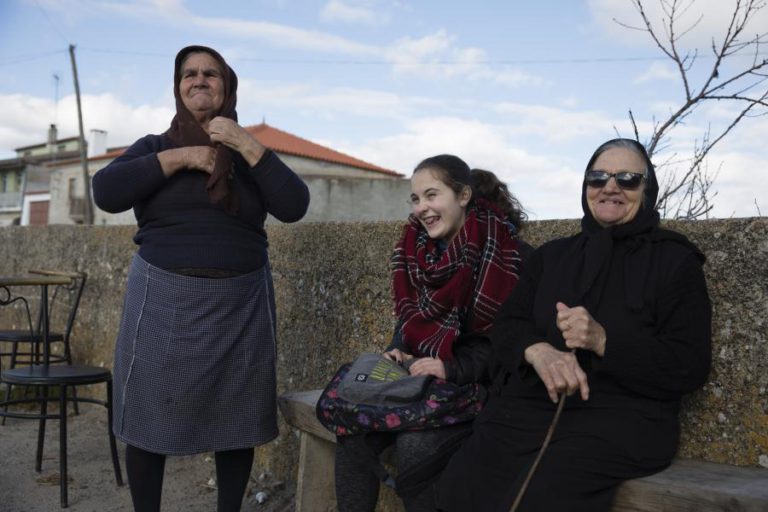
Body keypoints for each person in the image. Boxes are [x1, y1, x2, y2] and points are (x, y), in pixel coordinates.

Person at [437, 138, 712, 512]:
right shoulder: (553, 256)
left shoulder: (676, 262)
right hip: (529, 409)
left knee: (542, 494)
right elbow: (507, 326)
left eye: (628, 178)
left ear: (647, 191)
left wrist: (604, 341)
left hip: (620, 421)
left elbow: (688, 364)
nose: (610, 187)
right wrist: (538, 351)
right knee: (461, 481)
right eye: (598, 177)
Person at [92, 45, 309, 512]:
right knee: (149, 417)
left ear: (227, 87)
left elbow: (294, 206)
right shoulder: (154, 147)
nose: (199, 80)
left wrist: (245, 144)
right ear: (177, 87)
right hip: (162, 297)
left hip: (242, 302)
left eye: (211, 73)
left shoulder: (251, 158)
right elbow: (105, 192)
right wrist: (182, 158)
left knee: (239, 420)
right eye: (188, 74)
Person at [334, 154, 528, 512]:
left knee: (415, 446)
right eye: (415, 198)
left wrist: (449, 368)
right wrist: (397, 351)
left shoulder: (509, 258)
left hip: (481, 388)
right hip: (424, 386)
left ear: (463, 196)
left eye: (432, 196)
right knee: (351, 429)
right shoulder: (418, 255)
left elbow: (508, 343)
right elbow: (409, 324)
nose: (421, 208)